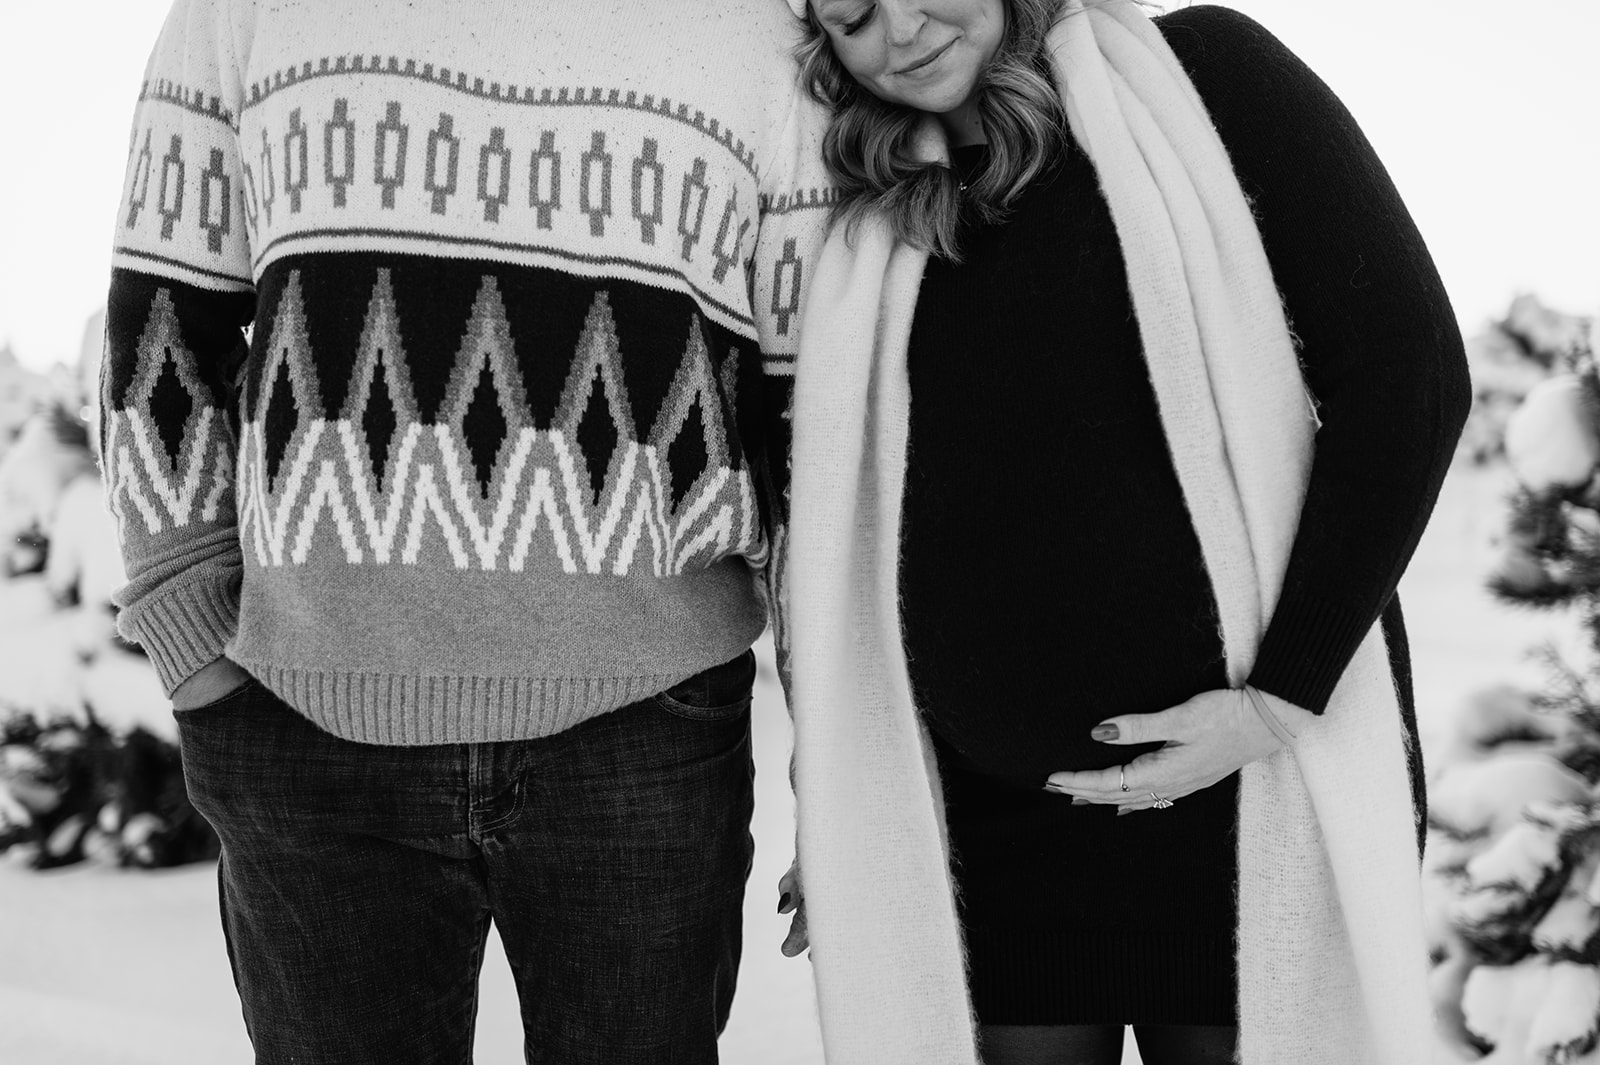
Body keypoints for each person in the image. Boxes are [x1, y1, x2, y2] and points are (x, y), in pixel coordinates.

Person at [100, 0, 832, 1061]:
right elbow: (159, 325)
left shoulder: (758, 31)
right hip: (304, 729)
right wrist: (194, 650)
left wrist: (837, 772)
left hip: (648, 735)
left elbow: (809, 424)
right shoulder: (244, 12)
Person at [770, 1, 1470, 1063]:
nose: (901, 30)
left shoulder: (1202, 77)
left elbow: (1404, 375)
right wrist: (841, 802)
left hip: (1242, 802)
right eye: (855, 14)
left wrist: (1278, 700)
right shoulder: (868, 217)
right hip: (988, 838)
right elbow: (835, 550)